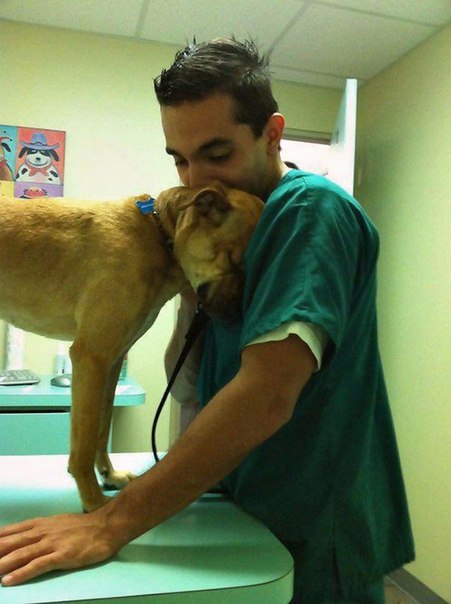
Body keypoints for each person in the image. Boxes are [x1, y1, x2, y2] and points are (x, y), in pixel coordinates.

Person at [0, 39, 414, 603]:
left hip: (313, 529)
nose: (195, 179)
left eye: (217, 154)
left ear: (272, 134)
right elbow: (193, 383)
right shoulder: (219, 224)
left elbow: (266, 395)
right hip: (244, 517)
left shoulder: (309, 211)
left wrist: (110, 523)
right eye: (180, 159)